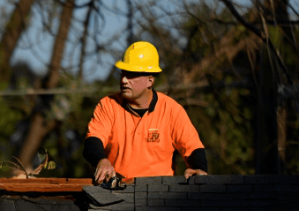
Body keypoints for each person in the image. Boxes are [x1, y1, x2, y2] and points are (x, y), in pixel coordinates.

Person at [84, 41, 209, 182]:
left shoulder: (171, 110)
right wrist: (101, 160)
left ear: (150, 81)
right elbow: (93, 140)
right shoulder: (108, 105)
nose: (124, 80)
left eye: (131, 75)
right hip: (116, 189)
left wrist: (198, 168)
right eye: (123, 73)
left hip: (160, 192)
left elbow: (193, 147)